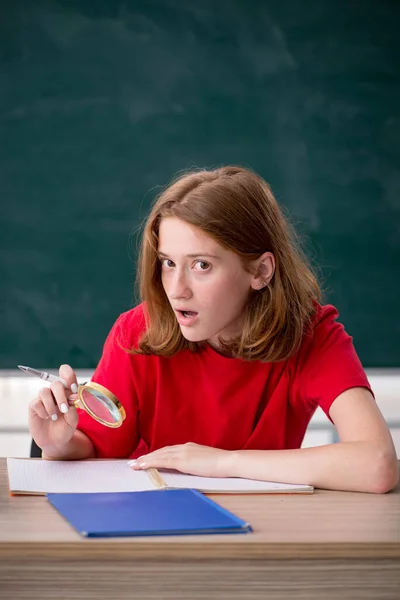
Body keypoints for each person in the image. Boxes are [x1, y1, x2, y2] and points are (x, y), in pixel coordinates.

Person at [28, 166, 398, 493]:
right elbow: (94, 452)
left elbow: (377, 463)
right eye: (169, 263)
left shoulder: (311, 333)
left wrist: (223, 463)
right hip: (152, 527)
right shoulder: (137, 332)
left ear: (260, 272)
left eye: (202, 265)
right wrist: (58, 444)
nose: (176, 289)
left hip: (267, 534)